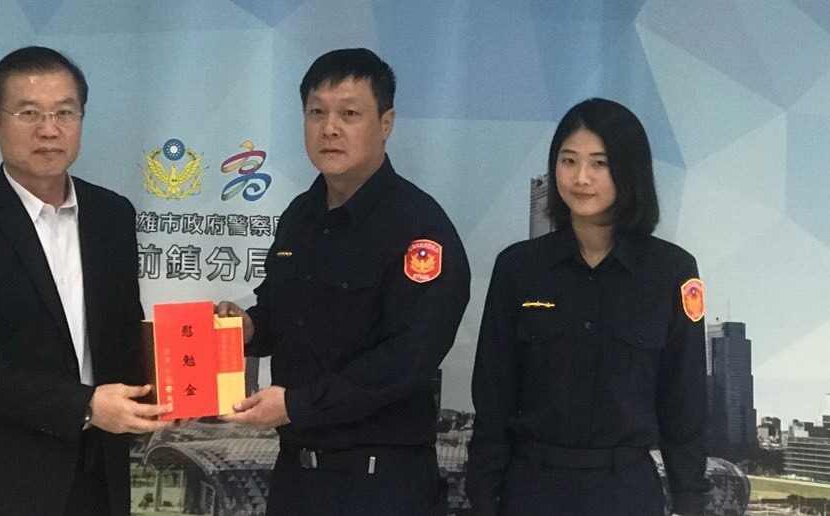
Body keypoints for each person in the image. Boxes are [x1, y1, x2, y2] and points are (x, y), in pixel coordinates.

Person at [0, 46, 171, 516]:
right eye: (29, 113)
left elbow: (120, 334)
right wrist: (85, 406)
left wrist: (178, 381)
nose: (49, 130)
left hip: (97, 472)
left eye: (65, 113)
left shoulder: (112, 214)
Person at [215, 48, 470, 515]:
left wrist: (298, 405)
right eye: (316, 112)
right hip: (296, 477)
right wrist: (246, 328)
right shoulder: (299, 217)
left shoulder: (420, 229)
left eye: (349, 114)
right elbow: (280, 315)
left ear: (386, 123)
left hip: (380, 485)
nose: (329, 128)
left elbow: (407, 359)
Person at [466, 98, 709, 515]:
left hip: (626, 491)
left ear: (630, 171)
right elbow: (493, 395)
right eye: (568, 160)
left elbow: (684, 402)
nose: (581, 178)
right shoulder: (519, 267)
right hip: (532, 488)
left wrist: (690, 500)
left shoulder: (671, 271)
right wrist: (484, 497)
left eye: (600, 163)